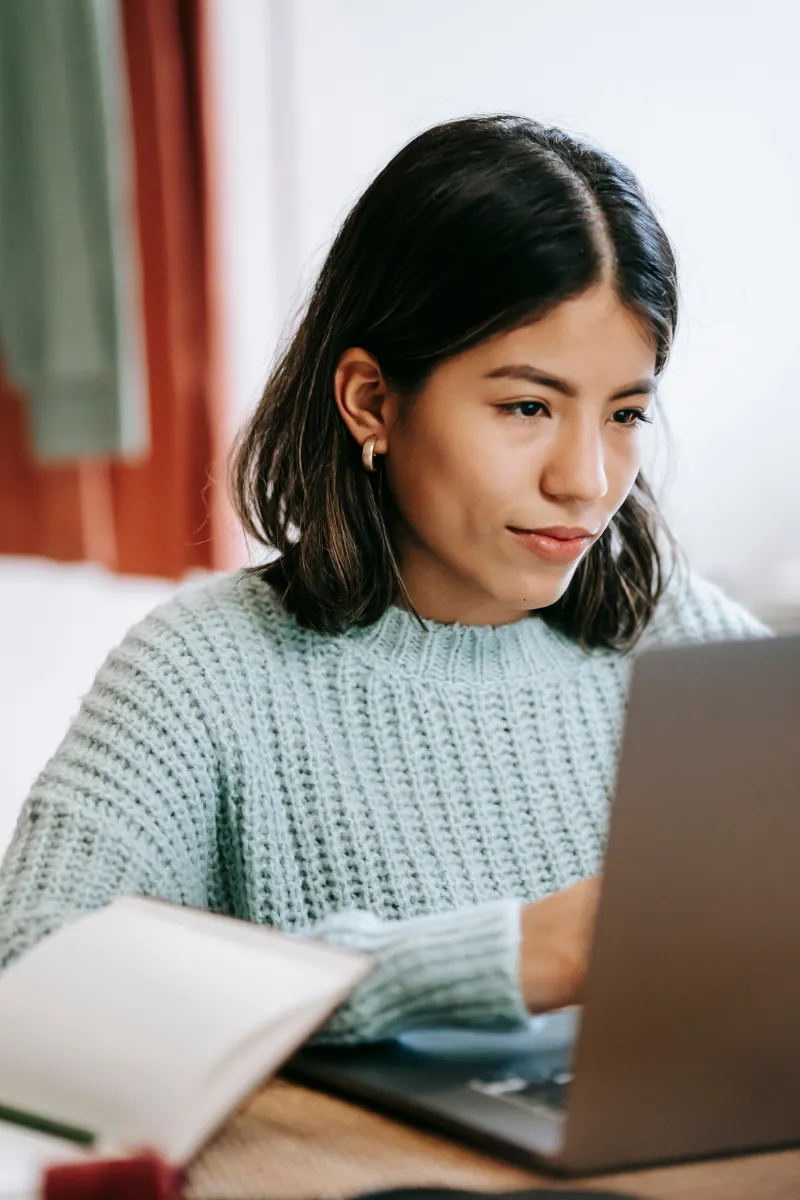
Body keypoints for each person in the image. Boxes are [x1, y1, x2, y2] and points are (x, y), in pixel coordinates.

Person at [0, 115, 768, 1042]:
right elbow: (30, 981)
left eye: (624, 413)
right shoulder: (206, 671)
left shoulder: (676, 632)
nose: (587, 479)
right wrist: (500, 958)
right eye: (527, 406)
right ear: (372, 400)